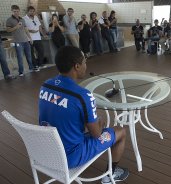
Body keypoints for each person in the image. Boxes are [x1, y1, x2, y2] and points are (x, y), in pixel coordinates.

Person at [38, 46, 129, 184]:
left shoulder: (46, 86)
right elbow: (97, 135)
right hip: (70, 156)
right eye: (85, 62)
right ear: (77, 66)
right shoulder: (82, 95)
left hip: (48, 151)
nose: (86, 66)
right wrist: (100, 122)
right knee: (120, 131)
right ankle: (110, 175)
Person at [6, 5, 36, 76]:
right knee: (20, 57)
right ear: (12, 11)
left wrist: (30, 38)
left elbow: (26, 29)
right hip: (18, 41)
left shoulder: (22, 19)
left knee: (29, 56)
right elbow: (7, 30)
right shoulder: (9, 20)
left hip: (26, 41)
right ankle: (21, 72)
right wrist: (16, 27)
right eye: (14, 11)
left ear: (19, 11)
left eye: (17, 11)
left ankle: (31, 68)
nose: (16, 13)